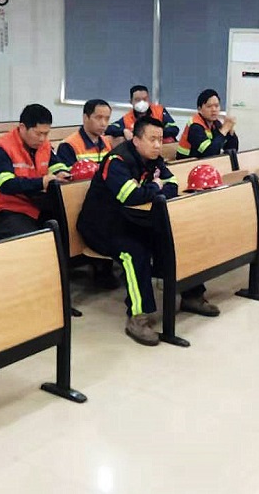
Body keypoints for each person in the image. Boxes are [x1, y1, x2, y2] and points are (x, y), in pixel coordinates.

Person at [78, 116, 219, 346]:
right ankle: (138, 317)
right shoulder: (117, 160)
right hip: (101, 225)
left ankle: (192, 295)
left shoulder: (154, 159)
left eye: (160, 140)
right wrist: (155, 187)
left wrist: (153, 189)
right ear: (136, 140)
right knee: (135, 253)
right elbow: (129, 195)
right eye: (152, 139)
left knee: (173, 240)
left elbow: (172, 184)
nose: (157, 145)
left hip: (132, 219)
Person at [0, 104, 70, 237]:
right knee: (38, 239)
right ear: (23, 127)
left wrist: (61, 173)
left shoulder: (44, 145)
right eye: (38, 133)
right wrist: (42, 182)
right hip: (5, 210)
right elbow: (6, 185)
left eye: (46, 133)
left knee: (67, 225)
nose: (42, 139)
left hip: (34, 205)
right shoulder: (1, 148)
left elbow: (56, 165)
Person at [176, 88, 239, 160]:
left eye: (216, 106)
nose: (214, 110)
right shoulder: (195, 126)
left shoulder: (215, 123)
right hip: (186, 163)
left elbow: (232, 149)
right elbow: (209, 153)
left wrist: (231, 132)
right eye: (209, 106)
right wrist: (224, 130)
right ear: (199, 109)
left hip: (202, 162)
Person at [104, 85, 179, 143]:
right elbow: (109, 129)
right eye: (137, 100)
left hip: (161, 147)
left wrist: (154, 133)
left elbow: (174, 129)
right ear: (131, 102)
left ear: (148, 99)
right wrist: (124, 131)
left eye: (145, 99)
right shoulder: (127, 118)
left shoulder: (159, 110)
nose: (142, 102)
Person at [56, 99, 113, 170]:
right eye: (98, 118)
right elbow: (67, 175)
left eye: (107, 119)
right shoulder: (68, 145)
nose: (103, 123)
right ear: (85, 117)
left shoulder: (107, 142)